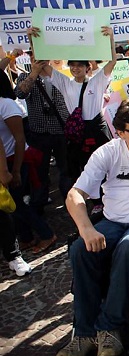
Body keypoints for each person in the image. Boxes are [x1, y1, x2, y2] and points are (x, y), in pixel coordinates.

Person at [56, 100, 129, 356]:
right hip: (113, 218)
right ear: (120, 132)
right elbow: (75, 194)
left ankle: (109, 327)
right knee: (79, 250)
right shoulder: (107, 152)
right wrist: (86, 229)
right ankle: (84, 334)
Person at [31, 26, 117, 183]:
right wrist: (33, 39)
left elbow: (113, 61)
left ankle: (107, 195)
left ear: (87, 68)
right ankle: (94, 200)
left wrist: (111, 37)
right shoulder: (64, 82)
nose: (75, 68)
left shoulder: (97, 81)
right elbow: (41, 63)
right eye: (72, 65)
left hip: (96, 129)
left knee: (106, 164)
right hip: (77, 132)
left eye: (79, 65)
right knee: (84, 166)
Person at [1, 71, 56, 254]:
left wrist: (15, 170)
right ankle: (26, 237)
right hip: (6, 162)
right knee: (12, 205)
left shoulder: (7, 105)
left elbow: (19, 138)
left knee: (17, 204)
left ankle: (47, 234)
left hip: (15, 160)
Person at [15, 53, 71, 215]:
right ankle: (38, 205)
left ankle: (70, 203)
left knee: (66, 170)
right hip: (39, 133)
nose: (39, 61)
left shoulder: (59, 76)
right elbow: (20, 93)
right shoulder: (25, 77)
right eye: (35, 58)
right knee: (39, 172)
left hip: (61, 131)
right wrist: (34, 72)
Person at [0, 87, 33, 277]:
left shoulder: (7, 104)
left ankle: (14, 256)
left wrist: (6, 171)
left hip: (11, 164)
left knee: (5, 214)